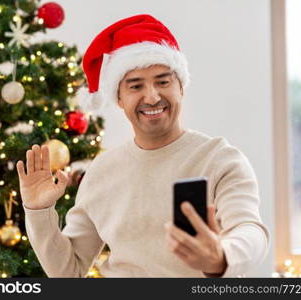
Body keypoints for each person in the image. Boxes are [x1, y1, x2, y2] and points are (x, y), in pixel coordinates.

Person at [16, 14, 269, 278]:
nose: (152, 96)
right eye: (136, 86)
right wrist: (38, 212)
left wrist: (222, 256)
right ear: (119, 99)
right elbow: (68, 272)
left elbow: (250, 230)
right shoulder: (102, 171)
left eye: (163, 81)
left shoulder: (219, 159)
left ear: (181, 87)